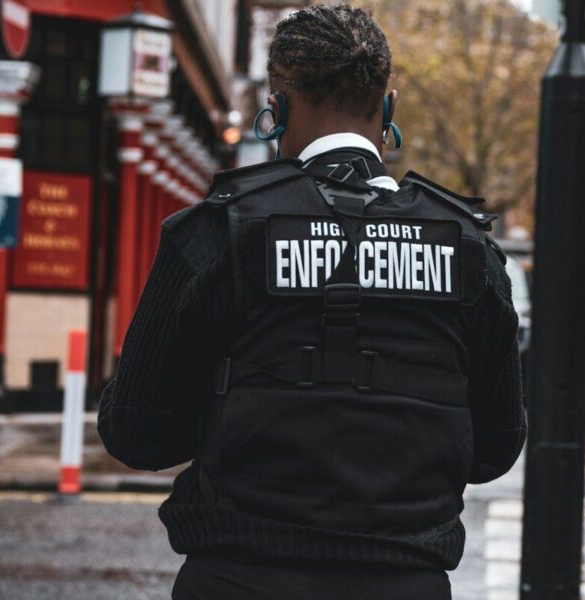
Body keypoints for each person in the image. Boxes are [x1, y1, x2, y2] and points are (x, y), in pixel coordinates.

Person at [97, 4, 526, 599]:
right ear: (388, 108)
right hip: (405, 583)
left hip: (238, 579)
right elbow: (498, 446)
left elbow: (133, 432)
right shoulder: (470, 249)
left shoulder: (214, 233)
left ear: (275, 108)